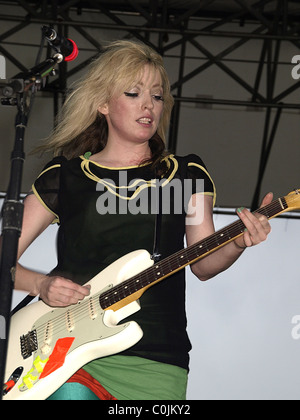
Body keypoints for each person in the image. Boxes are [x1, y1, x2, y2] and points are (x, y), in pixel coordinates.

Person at [11, 40, 272, 400]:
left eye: (157, 96)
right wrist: (40, 286)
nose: (149, 105)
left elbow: (204, 263)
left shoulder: (186, 175)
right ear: (103, 103)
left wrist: (238, 243)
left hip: (157, 359)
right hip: (69, 354)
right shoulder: (65, 176)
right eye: (133, 93)